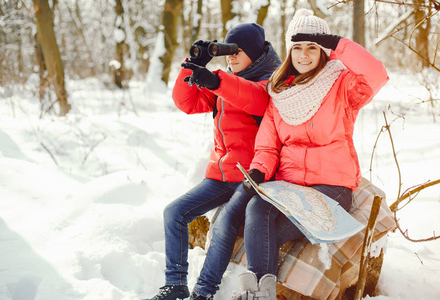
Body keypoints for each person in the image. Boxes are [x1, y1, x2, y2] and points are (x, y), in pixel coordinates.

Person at [229, 8, 389, 300]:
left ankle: (261, 292)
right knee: (256, 208)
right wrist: (258, 171)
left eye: (312, 47)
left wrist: (338, 42)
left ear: (323, 50)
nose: (304, 55)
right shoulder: (279, 92)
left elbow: (377, 74)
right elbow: (268, 145)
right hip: (289, 186)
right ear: (290, 51)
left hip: (331, 186)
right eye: (298, 47)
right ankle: (258, 293)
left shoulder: (342, 85)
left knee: (272, 234)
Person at [145, 23, 281, 300]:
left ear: (255, 53)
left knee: (222, 227)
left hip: (252, 176)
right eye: (228, 51)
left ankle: (203, 293)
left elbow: (254, 99)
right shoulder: (226, 82)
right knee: (174, 213)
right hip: (221, 175)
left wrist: (216, 80)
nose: (231, 57)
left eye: (238, 51)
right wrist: (192, 64)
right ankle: (175, 284)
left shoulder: (271, 81)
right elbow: (187, 103)